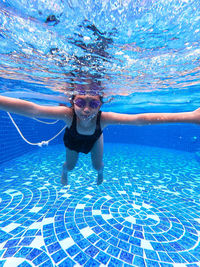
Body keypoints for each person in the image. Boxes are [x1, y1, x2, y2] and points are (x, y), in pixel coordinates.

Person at [0, 79, 200, 186]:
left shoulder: (102, 119)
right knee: (70, 166)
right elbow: (33, 109)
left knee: (97, 166)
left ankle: (100, 172)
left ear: (100, 104)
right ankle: (64, 171)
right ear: (72, 102)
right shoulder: (67, 115)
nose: (86, 110)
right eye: (80, 103)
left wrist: (191, 116)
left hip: (95, 138)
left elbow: (139, 120)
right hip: (73, 139)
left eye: (93, 103)